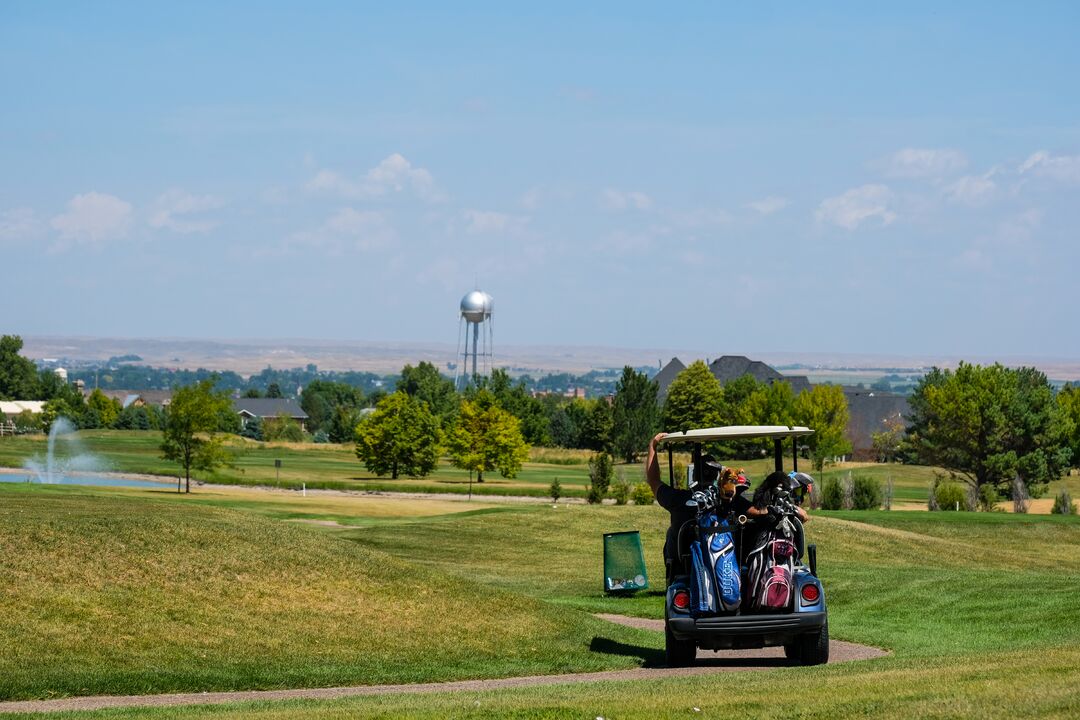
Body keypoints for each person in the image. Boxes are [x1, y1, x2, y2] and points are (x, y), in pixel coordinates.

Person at [644, 433, 767, 581]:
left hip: (685, 567)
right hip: (725, 565)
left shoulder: (679, 498)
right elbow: (757, 512)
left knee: (672, 533)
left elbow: (654, 480)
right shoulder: (731, 499)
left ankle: (673, 574)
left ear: (694, 475)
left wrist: (653, 446)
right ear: (717, 476)